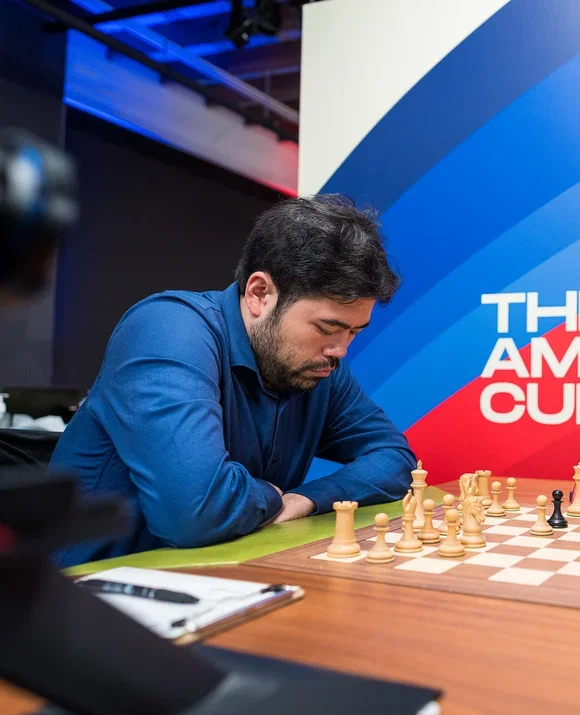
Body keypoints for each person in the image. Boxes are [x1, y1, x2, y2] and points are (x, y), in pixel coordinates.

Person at [50, 195, 416, 567]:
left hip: (222, 578)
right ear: (260, 293)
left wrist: (306, 499)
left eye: (354, 332)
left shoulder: (319, 365)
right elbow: (194, 512)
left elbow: (397, 460)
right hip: (90, 584)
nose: (341, 350)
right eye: (326, 328)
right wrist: (270, 494)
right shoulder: (169, 331)